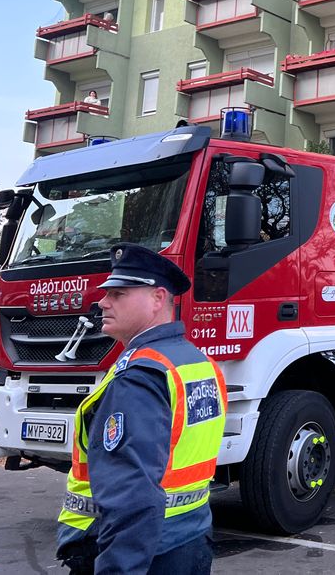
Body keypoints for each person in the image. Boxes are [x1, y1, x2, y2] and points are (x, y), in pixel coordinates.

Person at [56, 244, 225, 575]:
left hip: (143, 555)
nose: (102, 302)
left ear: (158, 299)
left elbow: (132, 494)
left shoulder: (139, 376)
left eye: (118, 294)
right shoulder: (196, 362)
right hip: (189, 540)